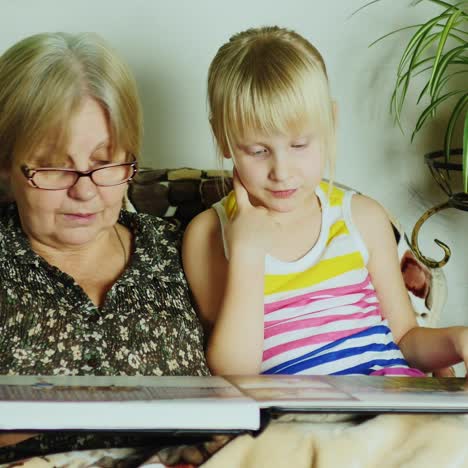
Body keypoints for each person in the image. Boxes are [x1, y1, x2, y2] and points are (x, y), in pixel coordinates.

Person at [182, 25, 468, 377]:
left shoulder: (361, 217)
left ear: (330, 123)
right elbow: (234, 374)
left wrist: (456, 340)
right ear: (222, 138)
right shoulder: (208, 235)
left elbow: (407, 340)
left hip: (389, 399)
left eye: (299, 145)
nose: (282, 171)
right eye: (258, 151)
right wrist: (248, 255)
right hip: (298, 423)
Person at [0, 32, 208, 461]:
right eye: (54, 166)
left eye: (105, 162)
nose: (85, 191)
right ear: (5, 164)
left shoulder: (187, 251)